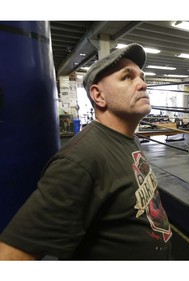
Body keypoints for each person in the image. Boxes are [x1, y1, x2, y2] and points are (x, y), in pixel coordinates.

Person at [0, 43, 172, 260]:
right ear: (98, 96)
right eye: (127, 77)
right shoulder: (79, 160)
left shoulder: (127, 139)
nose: (142, 84)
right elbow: (10, 256)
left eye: (142, 77)